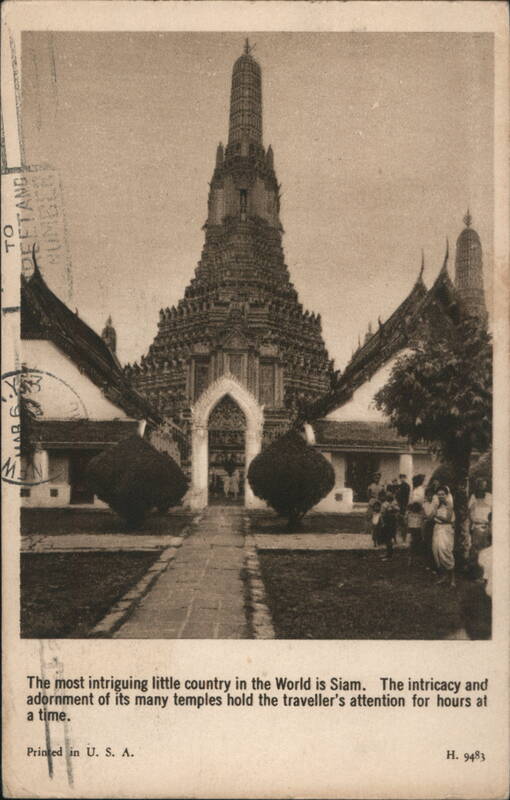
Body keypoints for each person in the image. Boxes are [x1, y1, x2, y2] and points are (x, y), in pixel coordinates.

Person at [432, 486, 456, 587]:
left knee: (445, 551)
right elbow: (431, 517)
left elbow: (448, 519)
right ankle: (443, 576)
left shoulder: (449, 505)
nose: (441, 496)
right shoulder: (437, 505)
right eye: (439, 494)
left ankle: (452, 579)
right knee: (436, 551)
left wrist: (436, 516)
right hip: (437, 529)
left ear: (446, 495)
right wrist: (434, 516)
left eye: (443, 494)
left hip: (446, 530)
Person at [380, 491, 400, 560]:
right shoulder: (385, 504)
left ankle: (389, 554)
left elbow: (397, 511)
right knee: (387, 539)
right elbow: (382, 514)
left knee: (389, 538)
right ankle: (388, 553)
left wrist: (392, 508)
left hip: (392, 522)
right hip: (387, 522)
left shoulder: (394, 503)